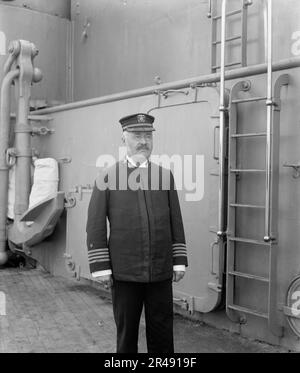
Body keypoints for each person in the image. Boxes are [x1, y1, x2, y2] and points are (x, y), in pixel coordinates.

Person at [86, 113, 187, 353]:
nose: (143, 141)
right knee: (127, 334)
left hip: (160, 271)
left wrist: (178, 261)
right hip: (124, 274)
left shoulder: (164, 175)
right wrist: (101, 267)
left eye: (147, 135)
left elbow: (175, 220)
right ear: (124, 139)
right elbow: (96, 224)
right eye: (136, 135)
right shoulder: (107, 177)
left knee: (163, 332)